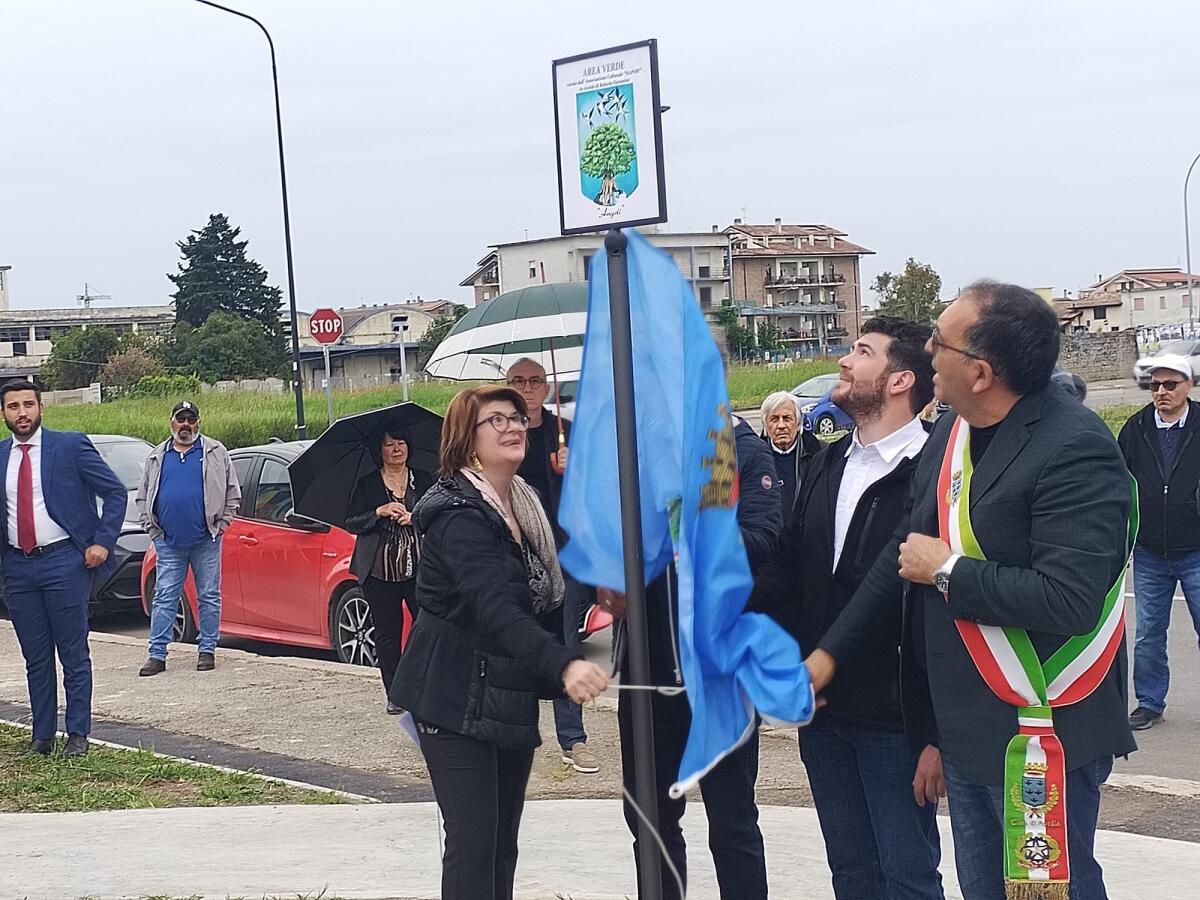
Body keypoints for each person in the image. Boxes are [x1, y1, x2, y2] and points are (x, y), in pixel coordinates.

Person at [807, 281, 1135, 900]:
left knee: (1051, 890)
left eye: (940, 341)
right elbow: (900, 555)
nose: (928, 350)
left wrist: (950, 571)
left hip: (1044, 724)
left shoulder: (1077, 446)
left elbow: (1069, 598)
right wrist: (829, 655)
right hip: (970, 725)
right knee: (986, 888)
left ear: (980, 373)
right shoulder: (953, 434)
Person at [389, 385, 609, 900]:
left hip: (506, 693)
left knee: (501, 846)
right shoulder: (457, 515)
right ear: (468, 441)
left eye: (517, 417)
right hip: (452, 694)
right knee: (472, 845)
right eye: (497, 421)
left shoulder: (524, 503)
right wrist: (562, 665)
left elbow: (550, 592)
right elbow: (496, 609)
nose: (514, 426)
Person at [750, 317, 944, 899]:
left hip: (895, 718)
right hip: (825, 711)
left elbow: (920, 605)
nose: (844, 361)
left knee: (906, 876)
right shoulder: (829, 462)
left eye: (861, 352)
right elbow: (790, 567)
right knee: (852, 873)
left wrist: (934, 734)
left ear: (898, 379)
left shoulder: (931, 474)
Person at [601, 409, 782, 900]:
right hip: (649, 670)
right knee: (650, 820)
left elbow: (764, 537)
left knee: (733, 822)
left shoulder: (741, 448)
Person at [0, 379, 126, 757]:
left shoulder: (69, 446)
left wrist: (102, 541)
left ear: (41, 408)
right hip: (18, 569)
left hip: (64, 563)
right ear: (3, 413)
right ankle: (41, 737)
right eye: (13, 406)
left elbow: (115, 492)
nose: (21, 412)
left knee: (73, 653)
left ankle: (77, 735)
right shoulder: (1, 456)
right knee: (35, 657)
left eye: (28, 404)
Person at [506, 356, 598, 774]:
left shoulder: (568, 433)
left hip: (561, 553)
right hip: (513, 555)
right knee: (514, 643)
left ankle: (572, 738)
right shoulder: (500, 434)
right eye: (518, 381)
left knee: (564, 643)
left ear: (547, 389)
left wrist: (571, 470)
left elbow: (594, 493)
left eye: (534, 381)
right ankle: (515, 733)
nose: (527, 388)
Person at [1117, 354, 1200, 730]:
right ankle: (1149, 702)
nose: (1161, 392)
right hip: (1150, 551)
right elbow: (1118, 483)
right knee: (1148, 634)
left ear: (1189, 385)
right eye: (1155, 386)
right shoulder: (1134, 429)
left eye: (1170, 385)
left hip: (1196, 549)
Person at [135, 400, 241, 676]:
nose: (185, 425)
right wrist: (153, 530)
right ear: (171, 422)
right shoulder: (157, 456)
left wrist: (222, 523)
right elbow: (143, 496)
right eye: (181, 419)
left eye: (190, 419)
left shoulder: (216, 452)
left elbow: (233, 492)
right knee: (165, 596)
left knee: (209, 595)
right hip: (168, 542)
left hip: (206, 539)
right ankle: (157, 655)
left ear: (198, 422)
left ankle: (207, 649)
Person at [345, 420, 434, 711]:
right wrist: (379, 511)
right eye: (389, 444)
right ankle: (395, 693)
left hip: (419, 566)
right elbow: (352, 522)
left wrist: (415, 516)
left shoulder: (424, 479)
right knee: (387, 632)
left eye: (401, 443)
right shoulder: (368, 483)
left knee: (427, 627)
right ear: (379, 450)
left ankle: (420, 684)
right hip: (380, 569)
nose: (397, 449)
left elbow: (441, 513)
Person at [758, 390, 822, 516]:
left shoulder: (819, 454)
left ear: (798, 424)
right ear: (765, 425)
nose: (781, 425)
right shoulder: (755, 458)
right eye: (774, 419)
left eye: (787, 418)